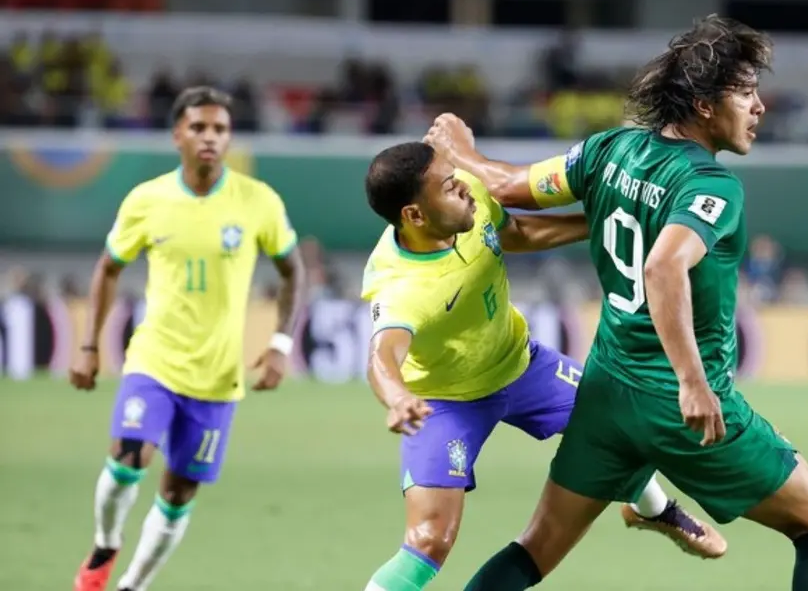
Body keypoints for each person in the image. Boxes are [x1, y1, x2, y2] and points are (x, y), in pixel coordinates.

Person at [425, 14, 808, 591]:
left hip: (605, 394)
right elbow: (662, 266)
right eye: (745, 94)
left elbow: (510, 186)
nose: (759, 107)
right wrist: (693, 382)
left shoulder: (609, 150)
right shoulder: (711, 186)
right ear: (702, 105)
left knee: (536, 547)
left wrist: (462, 151)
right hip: (679, 408)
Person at [359, 141, 726, 591]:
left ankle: (652, 510)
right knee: (429, 541)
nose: (465, 188)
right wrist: (397, 398)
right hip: (445, 404)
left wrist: (600, 221)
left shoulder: (467, 201)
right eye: (449, 186)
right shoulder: (400, 287)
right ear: (414, 215)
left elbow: (515, 233)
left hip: (521, 365)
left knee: (624, 423)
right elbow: (382, 356)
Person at [70, 86, 306, 591]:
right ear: (178, 134)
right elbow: (108, 267)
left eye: (220, 129)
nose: (210, 138)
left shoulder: (258, 201)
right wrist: (90, 346)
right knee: (128, 456)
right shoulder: (147, 201)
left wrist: (281, 344)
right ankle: (106, 543)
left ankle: (133, 585)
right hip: (155, 359)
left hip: (218, 376)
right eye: (199, 127)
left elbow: (293, 270)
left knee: (178, 494)